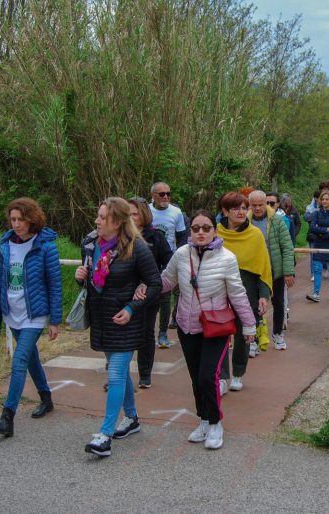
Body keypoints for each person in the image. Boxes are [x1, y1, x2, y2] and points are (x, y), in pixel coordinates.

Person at [149, 210, 257, 449]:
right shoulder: (181, 254)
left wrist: (249, 325)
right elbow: (167, 281)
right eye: (196, 228)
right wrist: (144, 286)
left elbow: (238, 294)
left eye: (206, 228)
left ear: (214, 231)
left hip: (215, 329)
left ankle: (216, 423)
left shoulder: (227, 259)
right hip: (187, 328)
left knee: (208, 376)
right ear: (190, 231)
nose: (200, 232)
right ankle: (204, 419)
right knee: (196, 378)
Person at [76, 197, 161, 458]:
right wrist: (81, 278)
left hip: (126, 322)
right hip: (102, 320)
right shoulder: (92, 246)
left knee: (114, 374)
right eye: (98, 216)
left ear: (117, 222)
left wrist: (131, 308)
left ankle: (105, 435)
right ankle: (132, 418)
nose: (97, 221)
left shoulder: (138, 249)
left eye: (103, 217)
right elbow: (96, 283)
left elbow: (155, 284)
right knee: (120, 374)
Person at [0, 198, 63, 437]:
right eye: (13, 219)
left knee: (19, 361)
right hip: (12, 313)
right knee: (30, 359)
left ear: (32, 219)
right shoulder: (6, 244)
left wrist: (55, 320)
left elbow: (55, 284)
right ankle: (46, 398)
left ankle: (7, 417)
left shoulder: (46, 246)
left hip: (35, 315)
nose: (16, 224)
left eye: (21, 219)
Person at [216, 192, 272, 392]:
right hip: (219, 292)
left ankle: (238, 373)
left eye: (243, 208)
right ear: (225, 211)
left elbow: (263, 267)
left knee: (243, 334)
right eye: (235, 208)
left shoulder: (255, 235)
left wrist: (263, 295)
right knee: (219, 333)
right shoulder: (216, 234)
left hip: (247, 291)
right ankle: (222, 377)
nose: (241, 212)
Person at [128, 196, 172, 389]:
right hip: (123, 293)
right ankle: (117, 374)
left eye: (135, 214)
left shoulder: (156, 237)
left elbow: (169, 263)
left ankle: (145, 374)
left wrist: (151, 283)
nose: (131, 217)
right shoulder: (118, 236)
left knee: (145, 334)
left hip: (149, 295)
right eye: (127, 214)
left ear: (144, 215)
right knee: (122, 335)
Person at [248, 190, 294, 352]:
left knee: (278, 303)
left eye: (261, 205)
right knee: (254, 305)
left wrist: (288, 272)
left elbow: (287, 247)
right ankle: (253, 339)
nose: (258, 208)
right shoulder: (245, 222)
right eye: (254, 205)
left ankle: (278, 333)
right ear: (250, 205)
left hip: (275, 269)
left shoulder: (277, 220)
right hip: (254, 271)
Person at [149, 182, 186, 348]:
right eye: (161, 194)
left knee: (165, 298)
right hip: (147, 258)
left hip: (167, 260)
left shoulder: (176, 212)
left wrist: (180, 258)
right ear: (153, 196)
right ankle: (145, 332)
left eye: (168, 194)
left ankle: (162, 333)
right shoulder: (146, 211)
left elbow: (182, 237)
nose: (165, 197)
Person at [306, 190, 329, 302]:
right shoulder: (316, 213)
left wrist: (322, 233)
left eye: (326, 199)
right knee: (317, 269)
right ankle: (316, 294)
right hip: (319, 243)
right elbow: (312, 228)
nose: (324, 201)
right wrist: (326, 230)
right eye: (322, 199)